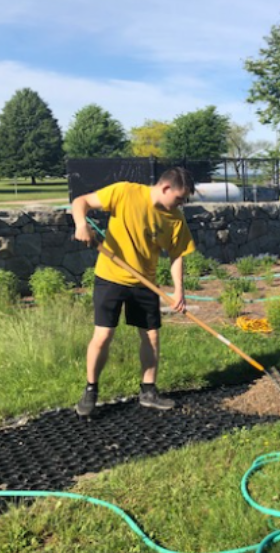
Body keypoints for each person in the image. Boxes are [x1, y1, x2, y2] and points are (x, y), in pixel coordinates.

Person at [71, 167, 196, 417]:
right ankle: (91, 390)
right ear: (165, 188)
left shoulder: (175, 219)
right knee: (104, 335)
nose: (180, 204)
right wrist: (81, 223)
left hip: (145, 283)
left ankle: (148, 391)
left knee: (151, 337)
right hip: (110, 277)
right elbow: (81, 201)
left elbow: (176, 255)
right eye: (179, 198)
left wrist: (179, 291)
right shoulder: (125, 192)